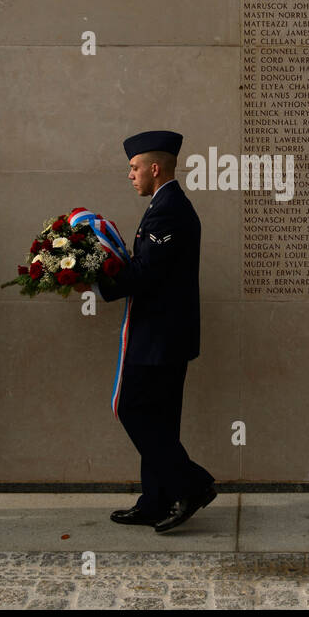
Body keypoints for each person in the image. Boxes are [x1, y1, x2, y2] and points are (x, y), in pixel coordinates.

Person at [88, 130, 216, 533]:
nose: (130, 175)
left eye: (134, 167)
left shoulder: (168, 210)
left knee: (133, 409)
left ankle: (192, 485)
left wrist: (96, 277)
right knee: (159, 420)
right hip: (164, 335)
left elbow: (146, 273)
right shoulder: (166, 205)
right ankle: (156, 499)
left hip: (160, 337)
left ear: (154, 168)